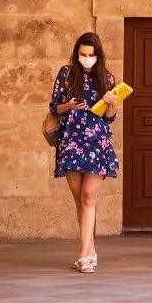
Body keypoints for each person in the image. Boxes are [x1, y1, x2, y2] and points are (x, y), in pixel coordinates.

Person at [48, 32, 119, 273]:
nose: (86, 59)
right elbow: (54, 107)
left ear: (98, 55)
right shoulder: (66, 73)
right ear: (77, 53)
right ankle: (90, 251)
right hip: (71, 139)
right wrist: (69, 105)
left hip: (96, 140)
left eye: (90, 55)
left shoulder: (107, 78)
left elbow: (109, 118)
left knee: (89, 197)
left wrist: (113, 103)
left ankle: (83, 256)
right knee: (79, 198)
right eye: (82, 54)